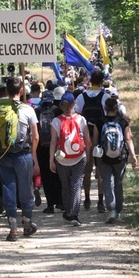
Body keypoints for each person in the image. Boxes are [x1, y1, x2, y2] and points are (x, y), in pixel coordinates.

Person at [0, 76, 39, 241]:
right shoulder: (27, 109)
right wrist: (34, 156)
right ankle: (27, 223)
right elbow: (35, 136)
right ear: (22, 91)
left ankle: (13, 229)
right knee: (26, 189)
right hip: (23, 154)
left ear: (7, 91)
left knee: (8, 189)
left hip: (3, 154)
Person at [49, 91, 91, 226]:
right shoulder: (81, 119)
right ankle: (74, 214)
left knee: (66, 186)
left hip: (62, 158)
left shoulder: (56, 121)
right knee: (77, 185)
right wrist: (88, 156)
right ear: (74, 104)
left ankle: (68, 212)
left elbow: (53, 142)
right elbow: (88, 141)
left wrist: (51, 160)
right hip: (80, 157)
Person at [95, 97, 137, 223]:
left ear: (105, 108)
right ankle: (119, 211)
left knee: (107, 182)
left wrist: (94, 160)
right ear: (117, 108)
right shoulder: (123, 122)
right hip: (120, 157)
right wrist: (133, 156)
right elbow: (128, 139)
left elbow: (94, 142)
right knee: (118, 183)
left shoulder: (99, 122)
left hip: (103, 157)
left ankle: (111, 210)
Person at [75, 69, 110, 212]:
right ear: (102, 82)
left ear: (90, 81)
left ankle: (87, 198)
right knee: (101, 171)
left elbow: (77, 116)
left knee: (87, 171)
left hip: (86, 138)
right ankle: (100, 201)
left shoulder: (81, 97)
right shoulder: (105, 97)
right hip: (101, 138)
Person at [36, 86, 63, 213]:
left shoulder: (37, 111)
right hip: (57, 147)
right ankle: (60, 201)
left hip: (41, 148)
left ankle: (50, 204)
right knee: (57, 175)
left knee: (46, 177)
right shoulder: (58, 111)